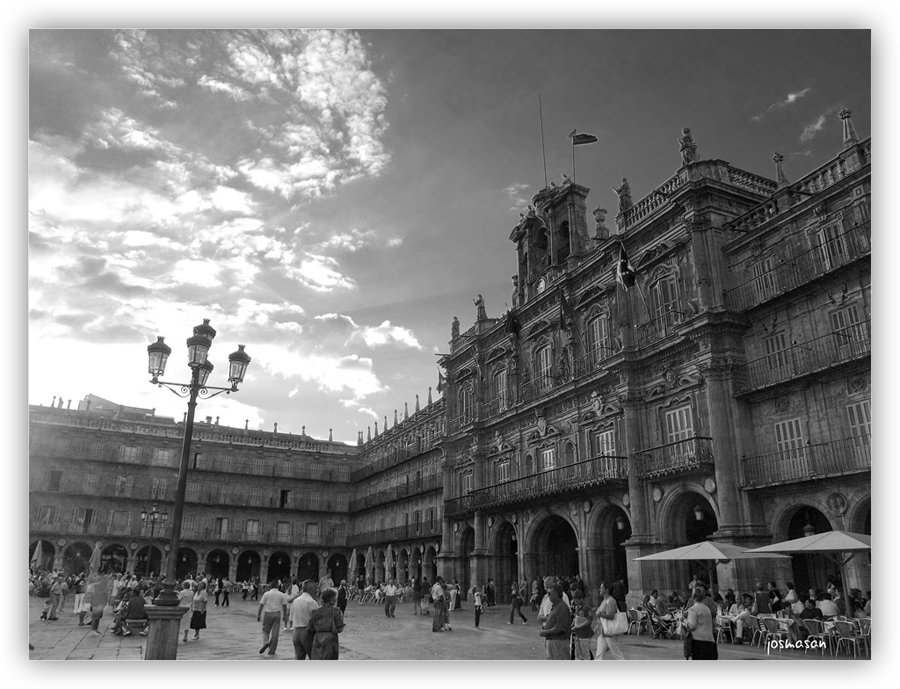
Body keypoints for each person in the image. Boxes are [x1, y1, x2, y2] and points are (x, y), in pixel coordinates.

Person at [308, 587, 345, 660]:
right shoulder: (336, 611)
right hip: (331, 642)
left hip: (318, 640)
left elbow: (310, 628)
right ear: (332, 599)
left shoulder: (315, 611)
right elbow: (340, 628)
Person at [538, 584, 571, 660]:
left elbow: (559, 628)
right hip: (553, 641)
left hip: (558, 643)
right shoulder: (556, 606)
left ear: (556, 594)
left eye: (550, 594)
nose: (548, 596)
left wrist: (545, 632)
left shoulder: (562, 607)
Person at [684, 586, 717, 660]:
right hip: (709, 639)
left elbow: (692, 625)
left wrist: (684, 621)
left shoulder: (693, 609)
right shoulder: (706, 608)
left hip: (698, 640)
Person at [595, 581, 625, 660]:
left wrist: (600, 615)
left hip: (609, 632)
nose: (599, 589)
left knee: (616, 654)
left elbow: (611, 616)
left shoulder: (611, 601)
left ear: (607, 590)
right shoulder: (604, 600)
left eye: (601, 588)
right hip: (603, 631)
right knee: (599, 653)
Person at [290, 580, 319, 660]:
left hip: (296, 632)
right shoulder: (312, 602)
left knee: (299, 657)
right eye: (315, 587)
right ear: (310, 589)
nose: (316, 589)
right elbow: (316, 619)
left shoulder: (295, 601)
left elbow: (291, 617)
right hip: (307, 632)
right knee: (313, 656)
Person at [257, 580, 287, 656]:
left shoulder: (266, 594)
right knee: (275, 633)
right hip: (277, 614)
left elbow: (261, 604)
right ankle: (272, 650)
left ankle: (266, 642)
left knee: (265, 630)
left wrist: (259, 614)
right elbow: (284, 606)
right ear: (277, 586)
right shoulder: (281, 594)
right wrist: (285, 615)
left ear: (270, 586)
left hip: (267, 613)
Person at [570, 589, 594, 660]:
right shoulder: (577, 607)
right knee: (577, 654)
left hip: (584, 635)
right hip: (578, 634)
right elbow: (576, 619)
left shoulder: (587, 608)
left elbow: (588, 622)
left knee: (585, 654)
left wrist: (577, 626)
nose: (575, 602)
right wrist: (571, 626)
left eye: (576, 600)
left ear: (581, 598)